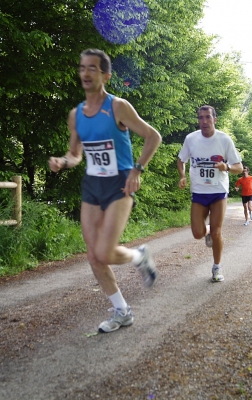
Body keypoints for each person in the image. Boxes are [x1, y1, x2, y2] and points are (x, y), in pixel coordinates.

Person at [49, 49, 162, 333]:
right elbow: (75, 154)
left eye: (92, 69)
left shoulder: (118, 107)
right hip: (92, 184)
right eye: (82, 68)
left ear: (105, 76)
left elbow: (153, 137)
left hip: (120, 183)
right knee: (93, 255)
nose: (85, 73)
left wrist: (137, 170)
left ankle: (139, 257)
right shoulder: (76, 115)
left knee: (105, 251)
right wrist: (63, 161)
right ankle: (122, 311)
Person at [177, 105, 243, 282]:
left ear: (215, 119)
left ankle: (217, 267)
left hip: (218, 191)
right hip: (199, 191)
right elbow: (181, 159)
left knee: (217, 232)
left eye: (207, 117)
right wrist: (182, 175)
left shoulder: (224, 139)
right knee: (198, 233)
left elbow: (239, 167)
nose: (204, 121)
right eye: (200, 118)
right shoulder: (191, 139)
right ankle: (207, 231)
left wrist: (226, 167)